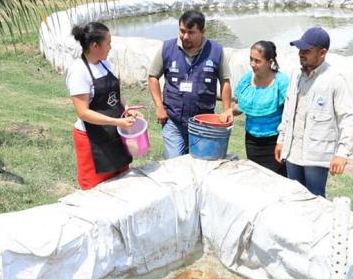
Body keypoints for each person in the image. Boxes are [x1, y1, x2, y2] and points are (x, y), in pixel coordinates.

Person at [275, 27, 353, 197]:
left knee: (316, 200)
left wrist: (342, 153)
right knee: (294, 198)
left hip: (316, 155)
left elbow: (347, 118)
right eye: (300, 50)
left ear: (322, 53)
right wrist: (282, 139)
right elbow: (289, 112)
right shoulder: (297, 77)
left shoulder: (334, 80)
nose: (301, 54)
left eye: (307, 50)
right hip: (293, 152)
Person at [147, 10, 234, 159]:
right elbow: (152, 76)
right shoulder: (167, 48)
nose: (185, 36)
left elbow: (225, 81)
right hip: (174, 121)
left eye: (191, 32)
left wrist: (226, 110)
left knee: (201, 162)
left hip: (203, 123)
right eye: (182, 31)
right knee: (175, 163)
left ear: (203, 32)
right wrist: (159, 107)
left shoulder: (216, 50)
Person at [66, 22, 140, 190]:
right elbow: (83, 113)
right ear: (94, 45)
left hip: (114, 135)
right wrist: (117, 122)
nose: (110, 47)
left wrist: (127, 109)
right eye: (108, 42)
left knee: (121, 183)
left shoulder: (105, 64)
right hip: (92, 140)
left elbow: (116, 94)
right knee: (96, 190)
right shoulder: (79, 71)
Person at [232, 41, 289, 176]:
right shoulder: (247, 80)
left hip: (274, 142)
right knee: (256, 178)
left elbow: (289, 114)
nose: (252, 64)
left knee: (275, 180)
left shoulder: (281, 82)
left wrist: (282, 141)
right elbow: (242, 106)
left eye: (257, 61)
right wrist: (229, 112)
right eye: (251, 59)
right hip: (252, 141)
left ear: (270, 62)